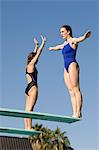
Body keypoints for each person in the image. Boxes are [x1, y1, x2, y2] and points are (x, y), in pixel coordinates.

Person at [49, 25, 91, 118]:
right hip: (65, 67)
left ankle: (78, 112)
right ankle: (74, 112)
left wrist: (85, 36)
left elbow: (79, 39)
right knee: (70, 91)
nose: (61, 34)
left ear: (68, 32)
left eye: (63, 31)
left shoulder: (73, 41)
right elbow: (58, 47)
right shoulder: (64, 44)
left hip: (72, 64)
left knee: (76, 89)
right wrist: (52, 48)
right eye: (60, 32)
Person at [24, 35, 46, 130]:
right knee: (30, 109)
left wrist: (36, 46)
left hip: (28, 88)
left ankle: (26, 127)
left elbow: (34, 54)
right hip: (33, 87)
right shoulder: (32, 64)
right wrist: (43, 43)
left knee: (26, 110)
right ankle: (29, 127)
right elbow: (38, 54)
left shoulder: (27, 65)